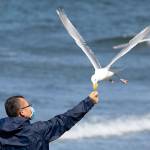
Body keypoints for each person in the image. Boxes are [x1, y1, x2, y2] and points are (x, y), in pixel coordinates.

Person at [0, 91, 99, 150]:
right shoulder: (37, 130)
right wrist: (89, 101)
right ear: (22, 112)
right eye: (28, 106)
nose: (31, 108)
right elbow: (65, 120)